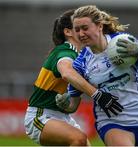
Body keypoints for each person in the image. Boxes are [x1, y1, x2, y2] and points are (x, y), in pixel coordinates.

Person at [64, 5, 138, 146]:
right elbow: (73, 105)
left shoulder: (123, 42)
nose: (81, 34)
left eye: (85, 28)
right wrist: (64, 103)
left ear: (99, 26)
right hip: (113, 121)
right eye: (77, 30)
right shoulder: (80, 64)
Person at [24, 8, 123, 146]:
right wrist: (97, 95)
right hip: (40, 116)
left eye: (84, 27)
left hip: (62, 116)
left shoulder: (84, 57)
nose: (83, 32)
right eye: (77, 28)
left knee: (82, 142)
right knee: (78, 139)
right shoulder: (66, 50)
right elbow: (67, 72)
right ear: (68, 32)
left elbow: (73, 105)